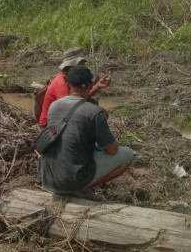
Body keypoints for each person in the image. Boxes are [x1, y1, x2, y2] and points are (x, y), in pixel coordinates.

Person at [39, 65, 134, 200]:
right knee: (127, 154)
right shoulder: (93, 112)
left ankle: (75, 186)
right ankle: (80, 188)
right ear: (90, 84)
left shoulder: (54, 105)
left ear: (68, 83)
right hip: (70, 179)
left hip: (48, 178)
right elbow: (112, 150)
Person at [37, 47, 110, 127]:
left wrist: (98, 85)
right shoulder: (61, 83)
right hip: (50, 125)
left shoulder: (69, 78)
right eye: (81, 64)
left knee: (92, 103)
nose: (83, 66)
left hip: (63, 117)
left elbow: (78, 97)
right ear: (71, 66)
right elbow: (71, 107)